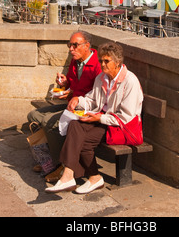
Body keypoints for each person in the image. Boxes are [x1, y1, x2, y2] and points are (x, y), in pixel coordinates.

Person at [45, 42, 143, 195]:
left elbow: (126, 117)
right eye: (101, 61)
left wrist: (99, 118)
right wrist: (78, 100)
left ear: (117, 62)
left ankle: (84, 177)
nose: (102, 64)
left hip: (119, 126)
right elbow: (92, 100)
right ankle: (73, 176)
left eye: (106, 61)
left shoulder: (130, 81)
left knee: (81, 137)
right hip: (101, 120)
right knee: (74, 126)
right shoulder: (101, 78)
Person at [27, 31, 101, 176]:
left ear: (87, 46)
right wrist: (65, 84)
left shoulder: (97, 65)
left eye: (75, 45)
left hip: (84, 109)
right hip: (71, 104)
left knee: (49, 122)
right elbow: (72, 84)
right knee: (33, 115)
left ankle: (58, 163)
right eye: (70, 45)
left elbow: (96, 97)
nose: (71, 49)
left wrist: (74, 95)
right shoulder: (76, 61)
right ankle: (46, 158)